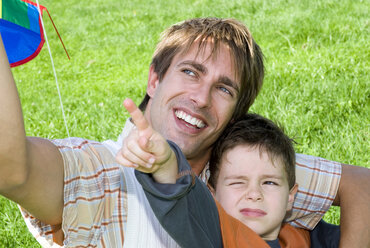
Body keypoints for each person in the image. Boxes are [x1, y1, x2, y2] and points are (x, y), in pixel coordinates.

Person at [0, 17, 369, 247]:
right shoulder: (100, 171)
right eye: (190, 72)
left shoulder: (244, 173)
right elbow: (12, 168)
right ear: (154, 79)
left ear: (237, 114)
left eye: (224, 89)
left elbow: (362, 185)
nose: (201, 98)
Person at [119, 105, 340, 247]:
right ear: (213, 194)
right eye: (237, 182)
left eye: (270, 182)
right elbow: (184, 205)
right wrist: (166, 164)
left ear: (290, 196)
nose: (254, 194)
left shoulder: (307, 237)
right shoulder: (216, 236)